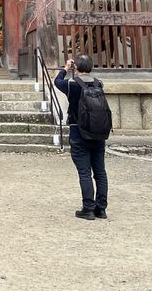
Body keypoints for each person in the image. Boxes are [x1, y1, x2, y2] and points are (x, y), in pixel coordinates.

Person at [55, 54, 109, 220]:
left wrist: (65, 69)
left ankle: (88, 208)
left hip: (78, 131)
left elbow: (57, 82)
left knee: (84, 172)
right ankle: (101, 208)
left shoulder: (72, 84)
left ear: (75, 67)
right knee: (100, 172)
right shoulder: (98, 83)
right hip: (98, 132)